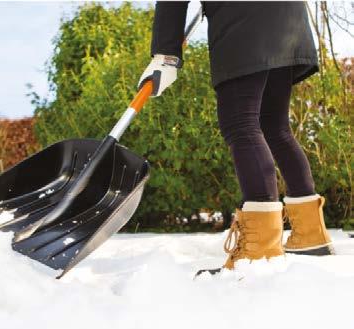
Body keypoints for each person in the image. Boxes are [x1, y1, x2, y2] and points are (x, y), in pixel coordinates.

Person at [138, 1, 334, 272]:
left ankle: (260, 251)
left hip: (244, 22)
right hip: (286, 18)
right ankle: (310, 234)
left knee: (241, 125)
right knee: (275, 127)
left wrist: (165, 56)